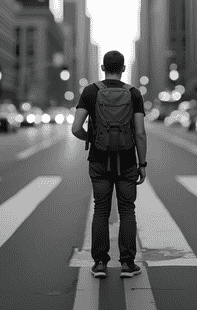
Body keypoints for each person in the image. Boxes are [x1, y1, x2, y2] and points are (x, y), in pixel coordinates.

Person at [71, 50, 148, 280]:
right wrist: (141, 163)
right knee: (127, 211)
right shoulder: (134, 94)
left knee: (101, 210)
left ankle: (99, 264)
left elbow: (76, 128)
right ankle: (127, 264)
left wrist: (93, 139)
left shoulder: (90, 92)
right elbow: (141, 133)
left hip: (99, 160)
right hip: (126, 161)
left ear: (103, 68)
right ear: (123, 69)